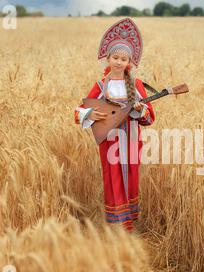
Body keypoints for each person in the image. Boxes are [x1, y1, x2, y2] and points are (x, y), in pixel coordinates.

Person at [74, 18, 155, 233]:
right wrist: (95, 114)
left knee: (131, 175)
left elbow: (149, 118)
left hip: (130, 139)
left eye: (124, 58)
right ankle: (116, 224)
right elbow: (79, 111)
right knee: (112, 177)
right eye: (115, 57)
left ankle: (128, 223)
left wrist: (138, 109)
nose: (119, 62)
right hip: (109, 140)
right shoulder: (101, 85)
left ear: (129, 62)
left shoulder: (136, 85)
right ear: (108, 58)